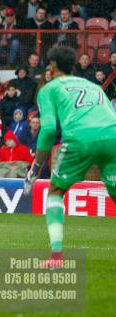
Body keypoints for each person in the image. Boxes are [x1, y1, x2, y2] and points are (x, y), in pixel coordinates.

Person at [24, 46, 116, 268]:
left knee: (55, 190)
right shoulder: (93, 85)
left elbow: (46, 131)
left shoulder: (49, 89)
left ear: (53, 65)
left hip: (80, 138)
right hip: (112, 135)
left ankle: (56, 256)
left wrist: (36, 167)